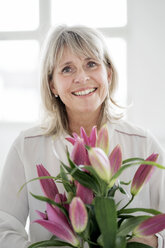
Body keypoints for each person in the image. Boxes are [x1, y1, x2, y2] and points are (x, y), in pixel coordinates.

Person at [0, 24, 165, 248]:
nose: (82, 77)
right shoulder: (26, 147)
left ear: (108, 73)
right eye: (67, 69)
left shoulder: (143, 145)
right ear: (53, 85)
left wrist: (155, 241)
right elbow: (4, 228)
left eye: (91, 64)